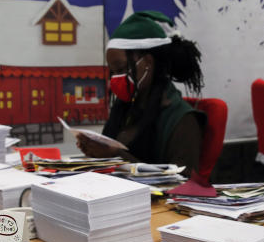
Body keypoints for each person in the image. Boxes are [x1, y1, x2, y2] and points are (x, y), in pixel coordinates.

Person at [76, 11, 206, 176]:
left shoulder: (181, 119)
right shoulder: (124, 109)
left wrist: (115, 155)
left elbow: (183, 183)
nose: (116, 79)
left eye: (122, 69)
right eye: (113, 72)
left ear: (147, 63)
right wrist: (95, 150)